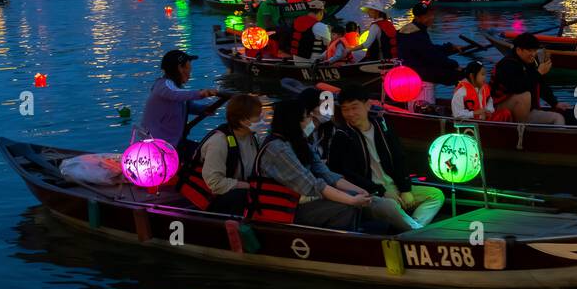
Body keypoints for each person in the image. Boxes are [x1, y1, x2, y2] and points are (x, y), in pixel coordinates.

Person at [328, 86, 445, 232]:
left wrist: (405, 189)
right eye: (345, 109)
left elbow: (398, 157)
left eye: (354, 107)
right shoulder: (342, 135)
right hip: (368, 193)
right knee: (390, 205)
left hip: (393, 186)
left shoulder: (382, 126)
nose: (350, 114)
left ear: (367, 105)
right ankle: (416, 231)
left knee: (436, 195)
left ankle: (413, 225)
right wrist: (381, 192)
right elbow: (345, 174)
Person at [245, 97, 370, 230]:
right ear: (294, 121)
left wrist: (359, 191)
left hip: (297, 203)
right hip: (281, 212)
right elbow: (312, 185)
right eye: (307, 117)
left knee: (351, 198)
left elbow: (326, 174)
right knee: (345, 207)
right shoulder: (278, 149)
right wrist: (352, 200)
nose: (311, 120)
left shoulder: (299, 142)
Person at [176, 93, 263, 214]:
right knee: (243, 196)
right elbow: (215, 183)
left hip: (239, 189)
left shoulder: (252, 138)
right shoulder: (219, 142)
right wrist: (248, 186)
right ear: (244, 120)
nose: (261, 120)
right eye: (258, 116)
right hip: (212, 199)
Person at [138, 49, 220, 152]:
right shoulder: (163, 85)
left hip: (173, 144)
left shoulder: (175, 88)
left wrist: (204, 109)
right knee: (207, 154)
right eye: (188, 69)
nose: (190, 74)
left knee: (210, 151)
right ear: (180, 68)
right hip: (158, 148)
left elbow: (186, 105)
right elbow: (176, 94)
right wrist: (201, 93)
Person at [492, 32, 566, 124]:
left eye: (535, 51)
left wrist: (555, 103)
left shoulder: (529, 63)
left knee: (558, 118)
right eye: (530, 51)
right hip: (501, 110)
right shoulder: (507, 65)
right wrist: (539, 73)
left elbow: (541, 85)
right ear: (519, 50)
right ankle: (522, 131)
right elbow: (518, 87)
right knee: (525, 96)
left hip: (525, 110)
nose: (533, 54)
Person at [397, 2, 462, 101]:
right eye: (428, 15)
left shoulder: (414, 29)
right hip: (419, 72)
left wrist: (449, 48)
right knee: (461, 76)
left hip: (417, 68)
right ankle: (460, 108)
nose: (432, 17)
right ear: (419, 17)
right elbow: (433, 56)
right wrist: (454, 65)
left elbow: (429, 49)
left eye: (431, 14)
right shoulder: (416, 34)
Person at [279, 0, 331, 65]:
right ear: (320, 12)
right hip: (314, 62)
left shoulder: (295, 22)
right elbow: (329, 44)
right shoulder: (321, 26)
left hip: (297, 61)